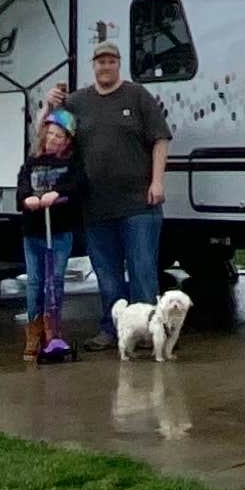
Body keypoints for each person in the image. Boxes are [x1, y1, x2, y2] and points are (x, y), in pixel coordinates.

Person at [61, 27, 171, 330]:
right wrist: (48, 105)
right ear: (93, 66)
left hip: (139, 204)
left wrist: (157, 182)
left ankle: (149, 333)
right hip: (96, 207)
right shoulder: (77, 102)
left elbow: (160, 138)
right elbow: (50, 137)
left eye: (110, 61)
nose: (105, 67)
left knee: (143, 273)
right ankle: (112, 331)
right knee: (107, 275)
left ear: (118, 64)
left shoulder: (137, 96)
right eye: (100, 62)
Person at [13, 115, 80, 363]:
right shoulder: (31, 164)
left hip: (59, 231)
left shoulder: (71, 164)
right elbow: (21, 189)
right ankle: (34, 330)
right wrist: (26, 199)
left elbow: (76, 185)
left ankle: (53, 330)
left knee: (56, 280)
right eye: (50, 134)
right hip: (34, 232)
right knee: (35, 282)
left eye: (59, 136)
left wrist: (57, 193)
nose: (53, 139)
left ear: (67, 142)